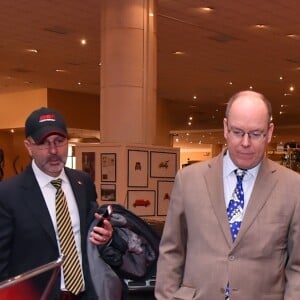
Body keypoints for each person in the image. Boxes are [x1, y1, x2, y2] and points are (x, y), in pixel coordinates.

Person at [155, 90, 300, 299]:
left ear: (269, 132)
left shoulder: (292, 186)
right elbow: (171, 252)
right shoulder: (189, 180)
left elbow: (297, 267)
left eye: (256, 134)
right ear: (225, 128)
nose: (246, 143)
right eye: (238, 132)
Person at [0, 107, 114, 300]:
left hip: (85, 294)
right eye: (44, 143)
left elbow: (89, 236)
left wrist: (105, 235)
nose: (54, 151)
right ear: (29, 146)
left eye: (59, 142)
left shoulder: (83, 183)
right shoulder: (8, 194)